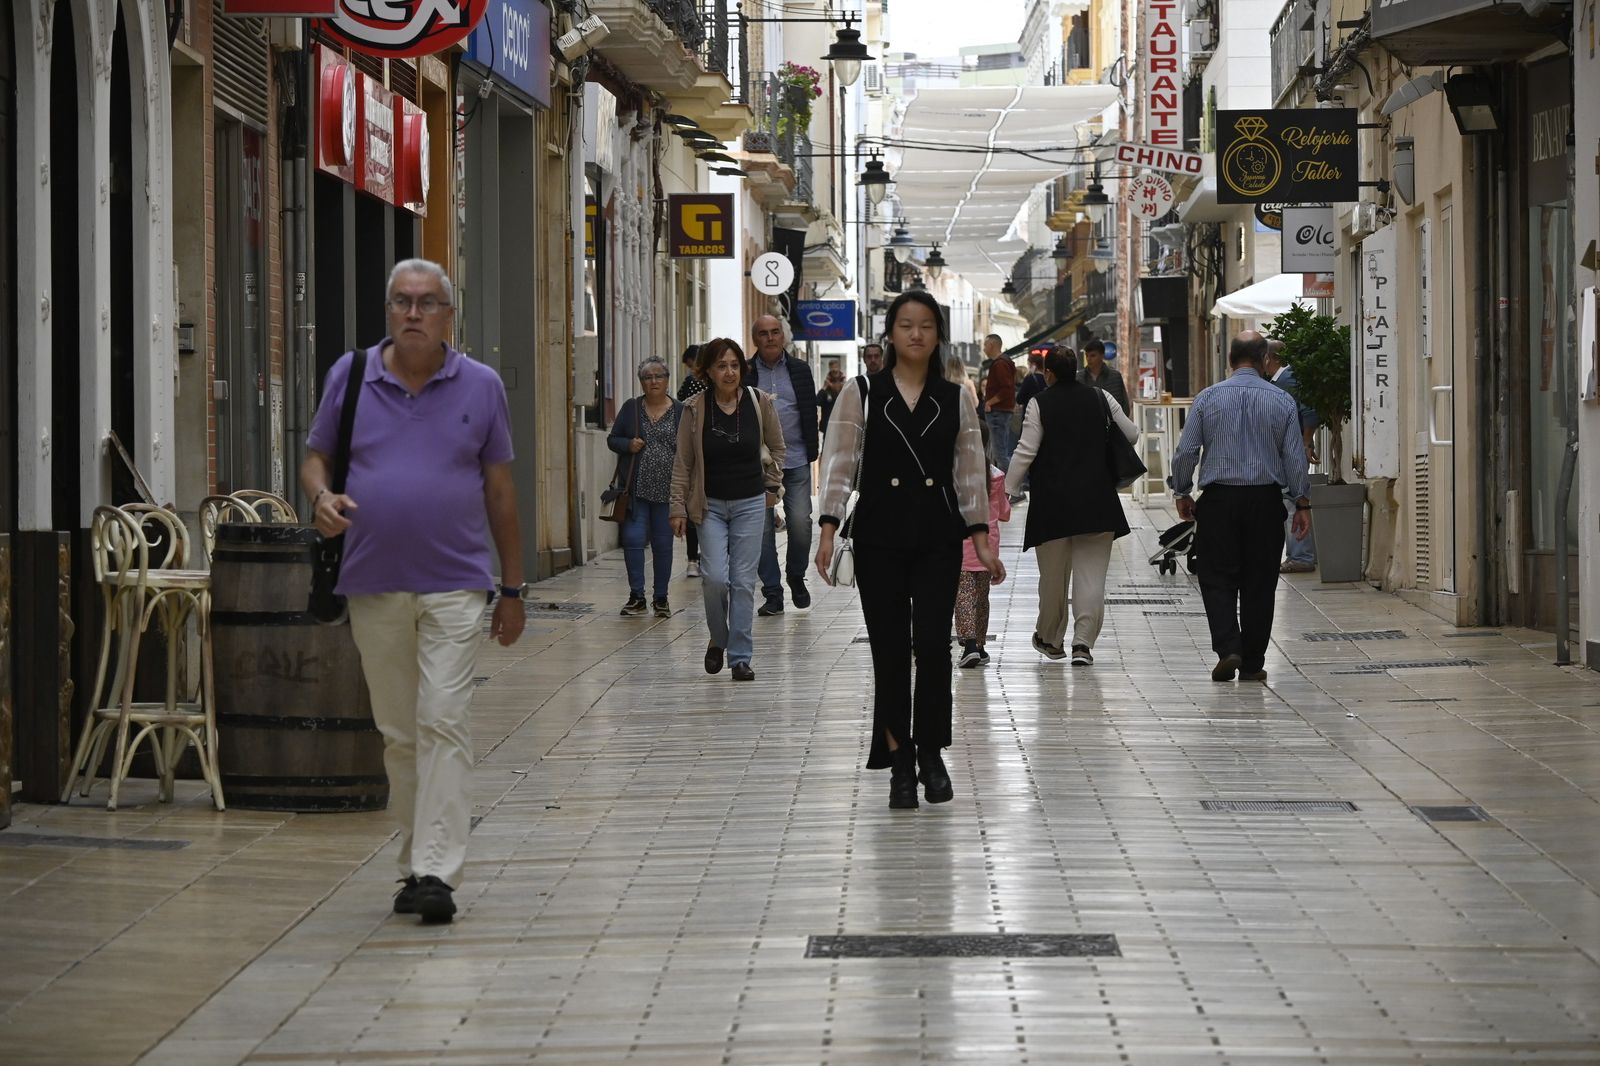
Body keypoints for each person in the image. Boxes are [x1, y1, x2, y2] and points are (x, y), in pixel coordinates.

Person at [301, 258, 524, 925]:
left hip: (457, 583)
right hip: (372, 579)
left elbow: (501, 490)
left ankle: (436, 872)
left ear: (449, 316)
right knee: (400, 733)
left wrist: (512, 586)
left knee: (444, 721)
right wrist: (319, 496)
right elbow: (316, 455)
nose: (414, 313)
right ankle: (413, 858)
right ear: (388, 310)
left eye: (428, 302)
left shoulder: (481, 386)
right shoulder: (351, 375)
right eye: (402, 301)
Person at [814, 290, 1005, 809]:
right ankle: (900, 761)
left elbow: (969, 472)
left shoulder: (956, 397)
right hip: (878, 536)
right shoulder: (863, 393)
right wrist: (828, 529)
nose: (915, 334)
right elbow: (839, 463)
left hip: (938, 537)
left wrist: (982, 541)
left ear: (938, 335)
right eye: (905, 325)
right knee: (891, 652)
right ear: (890, 334)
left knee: (934, 648)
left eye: (925, 325)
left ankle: (932, 755)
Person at [1171, 331, 1311, 683]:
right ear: (1265, 360)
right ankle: (1251, 662)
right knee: (1260, 582)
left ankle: (1228, 647)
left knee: (1215, 577)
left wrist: (1182, 491)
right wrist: (1303, 502)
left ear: (1230, 360)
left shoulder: (1207, 398)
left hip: (1219, 502)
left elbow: (1186, 451)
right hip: (1265, 501)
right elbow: (1294, 458)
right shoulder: (1281, 401)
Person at [1005, 344, 1138, 666]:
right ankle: (1082, 644)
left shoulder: (1040, 403)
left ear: (1048, 373)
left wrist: (1008, 489)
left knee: (1052, 577)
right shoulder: (1100, 397)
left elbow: (1026, 450)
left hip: (1052, 504)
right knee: (1091, 577)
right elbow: (1131, 434)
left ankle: (1050, 639)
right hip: (1097, 500)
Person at [671, 338, 785, 681]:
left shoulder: (758, 401)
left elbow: (778, 448)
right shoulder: (693, 409)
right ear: (707, 371)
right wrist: (677, 507)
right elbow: (683, 463)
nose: (730, 372)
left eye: (735, 365)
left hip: (751, 502)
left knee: (743, 582)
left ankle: (739, 657)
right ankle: (718, 638)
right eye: (722, 366)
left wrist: (772, 486)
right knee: (716, 579)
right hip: (710, 506)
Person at [746, 315, 819, 616]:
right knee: (761, 529)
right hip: (758, 463)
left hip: (797, 458)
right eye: (763, 333)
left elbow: (809, 409)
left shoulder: (800, 370)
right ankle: (773, 593)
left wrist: (814, 447)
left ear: (784, 337)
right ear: (756, 339)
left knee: (801, 522)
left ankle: (796, 576)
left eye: (775, 332)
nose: (770, 338)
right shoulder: (747, 372)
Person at [608, 357, 683, 618]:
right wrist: (628, 445)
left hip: (668, 492)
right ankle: (636, 596)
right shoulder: (631, 408)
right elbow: (613, 439)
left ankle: (660, 598)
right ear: (641, 382)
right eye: (648, 377)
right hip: (635, 492)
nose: (654, 381)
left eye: (659, 376)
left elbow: (689, 452)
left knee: (663, 545)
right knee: (632, 540)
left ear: (667, 379)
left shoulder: (681, 411)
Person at [958, 418, 1011, 668]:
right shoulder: (996, 475)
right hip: (989, 547)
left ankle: (969, 643)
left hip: (963, 546)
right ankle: (979, 645)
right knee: (981, 596)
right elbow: (1003, 512)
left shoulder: (956, 475)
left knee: (964, 596)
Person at [1265, 339, 1319, 574]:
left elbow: (1308, 412)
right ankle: (1300, 554)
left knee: (1292, 500)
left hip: (1291, 451)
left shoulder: (1287, 379)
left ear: (1268, 359)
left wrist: (1306, 443)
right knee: (1291, 500)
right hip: (1291, 448)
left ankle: (1301, 556)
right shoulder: (1282, 379)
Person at [980, 333, 1017, 468]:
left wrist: (990, 402)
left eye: (985, 345)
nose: (984, 348)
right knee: (1001, 452)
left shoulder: (1000, 364)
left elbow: (1006, 389)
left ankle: (1008, 485)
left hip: (997, 413)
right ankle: (1007, 485)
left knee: (999, 454)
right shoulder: (1004, 362)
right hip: (1002, 412)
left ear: (992, 345)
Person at [1079, 338, 1131, 416]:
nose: (1089, 359)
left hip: (1111, 424)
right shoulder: (1079, 377)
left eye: (1093, 355)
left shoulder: (1115, 376)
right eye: (1087, 355)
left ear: (1102, 355)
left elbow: (1124, 405)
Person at [818, 361, 845, 437]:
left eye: (836, 367)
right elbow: (817, 402)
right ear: (829, 369)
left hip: (842, 425)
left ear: (839, 368)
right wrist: (824, 387)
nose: (834, 370)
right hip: (828, 427)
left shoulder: (845, 385)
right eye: (832, 368)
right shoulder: (826, 387)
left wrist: (844, 389)